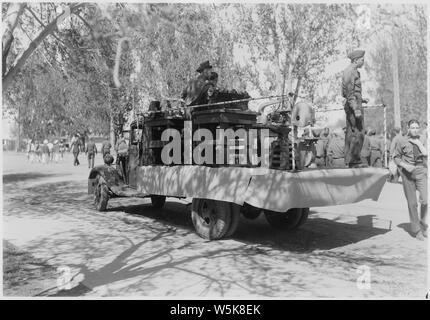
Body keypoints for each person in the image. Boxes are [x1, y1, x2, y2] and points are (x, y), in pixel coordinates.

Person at [392, 119, 427, 240]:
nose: (415, 129)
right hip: (407, 173)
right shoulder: (401, 140)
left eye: (417, 127)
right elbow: (396, 157)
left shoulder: (423, 138)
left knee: (425, 200)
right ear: (408, 128)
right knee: (412, 203)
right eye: (412, 127)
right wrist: (405, 166)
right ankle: (417, 230)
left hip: (421, 171)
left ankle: (422, 223)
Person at [341, 49, 368, 168]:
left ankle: (349, 159)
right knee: (359, 131)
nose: (363, 62)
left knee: (351, 131)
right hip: (354, 104)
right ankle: (354, 159)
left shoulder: (353, 71)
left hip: (355, 102)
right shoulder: (350, 72)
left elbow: (351, 91)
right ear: (356, 60)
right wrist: (355, 107)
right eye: (362, 60)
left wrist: (361, 99)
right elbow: (348, 92)